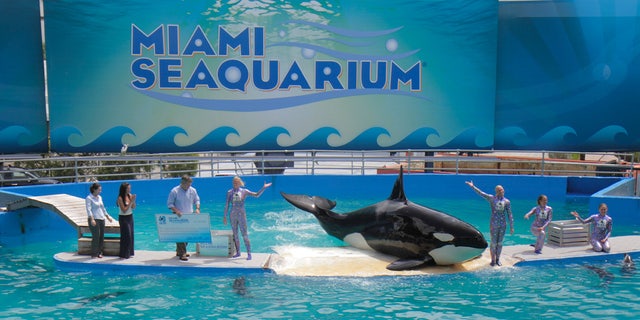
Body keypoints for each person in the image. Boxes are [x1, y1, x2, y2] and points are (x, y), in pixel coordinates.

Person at [465, 181, 514, 266]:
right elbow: (481, 193)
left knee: (500, 242)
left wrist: (511, 226)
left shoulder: (507, 201)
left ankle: (498, 259)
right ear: (496, 191)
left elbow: (510, 214)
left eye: (502, 190)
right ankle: (493, 260)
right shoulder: (492, 198)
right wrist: (473, 186)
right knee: (493, 242)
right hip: (494, 223)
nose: (501, 191)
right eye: (499, 190)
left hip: (503, 224)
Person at [223, 176, 272, 260]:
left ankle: (249, 253)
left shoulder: (244, 191)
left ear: (240, 183)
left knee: (244, 234)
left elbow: (256, 195)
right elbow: (227, 204)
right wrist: (225, 216)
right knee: (235, 234)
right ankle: (238, 252)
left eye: (236, 182)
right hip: (233, 215)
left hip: (241, 214)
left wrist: (263, 188)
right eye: (234, 182)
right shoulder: (229, 192)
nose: (235, 184)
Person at [167, 175, 201, 261]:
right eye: (187, 184)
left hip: (189, 216)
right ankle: (182, 253)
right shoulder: (174, 191)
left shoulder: (193, 190)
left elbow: (197, 200)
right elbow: (170, 204)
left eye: (190, 184)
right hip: (178, 216)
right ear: (182, 183)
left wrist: (197, 208)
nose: (189, 186)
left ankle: (179, 251)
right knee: (180, 235)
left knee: (187, 235)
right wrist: (176, 210)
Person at [85, 182, 113, 258]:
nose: (100, 191)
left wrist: (107, 217)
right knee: (96, 236)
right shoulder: (89, 198)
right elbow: (89, 209)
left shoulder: (100, 197)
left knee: (101, 237)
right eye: (99, 190)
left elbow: (103, 208)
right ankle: (94, 253)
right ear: (94, 189)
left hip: (101, 218)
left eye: (100, 190)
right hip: (94, 219)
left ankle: (100, 252)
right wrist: (92, 219)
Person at [117, 182, 136, 259]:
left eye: (130, 188)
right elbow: (124, 210)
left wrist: (133, 201)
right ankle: (124, 253)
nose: (129, 190)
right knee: (126, 235)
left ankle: (130, 252)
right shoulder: (120, 198)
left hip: (130, 217)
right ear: (124, 189)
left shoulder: (130, 195)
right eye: (128, 188)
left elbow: (133, 207)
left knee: (131, 235)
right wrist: (131, 201)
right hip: (123, 217)